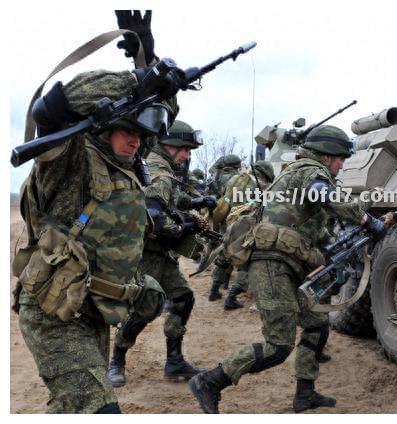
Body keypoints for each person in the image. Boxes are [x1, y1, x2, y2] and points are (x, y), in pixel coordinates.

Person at [189, 125, 387, 413]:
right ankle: (210, 381)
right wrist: (369, 221)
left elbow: (312, 229)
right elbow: (325, 196)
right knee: (277, 346)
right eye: (341, 158)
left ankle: (304, 394)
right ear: (327, 155)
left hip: (286, 266)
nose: (343, 165)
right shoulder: (310, 170)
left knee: (317, 326)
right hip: (272, 265)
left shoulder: (299, 175)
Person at [13, 68, 177, 413]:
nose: (137, 141)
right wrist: (134, 78)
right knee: (100, 409)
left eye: (141, 134)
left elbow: (159, 114)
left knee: (71, 407)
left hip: (94, 312)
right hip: (54, 315)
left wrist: (155, 67)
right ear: (104, 125)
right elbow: (55, 107)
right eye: (128, 131)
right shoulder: (70, 159)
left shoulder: (127, 166)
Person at [107, 120, 216, 387]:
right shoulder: (159, 172)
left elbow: (169, 200)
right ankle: (117, 360)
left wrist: (196, 202)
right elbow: (154, 219)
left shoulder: (162, 168)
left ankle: (174, 361)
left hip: (161, 254)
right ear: (169, 146)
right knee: (145, 308)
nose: (187, 155)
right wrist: (186, 224)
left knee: (182, 298)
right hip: (147, 253)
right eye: (185, 150)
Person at [221, 160, 275, 310]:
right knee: (249, 260)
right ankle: (232, 296)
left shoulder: (235, 179)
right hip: (249, 225)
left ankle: (220, 287)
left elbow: (225, 198)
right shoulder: (261, 185)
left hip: (232, 223)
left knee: (233, 255)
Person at [205, 154, 243, 300]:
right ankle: (228, 290)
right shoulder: (237, 178)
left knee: (223, 250)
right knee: (236, 251)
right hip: (234, 217)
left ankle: (217, 287)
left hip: (220, 215)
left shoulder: (216, 177)